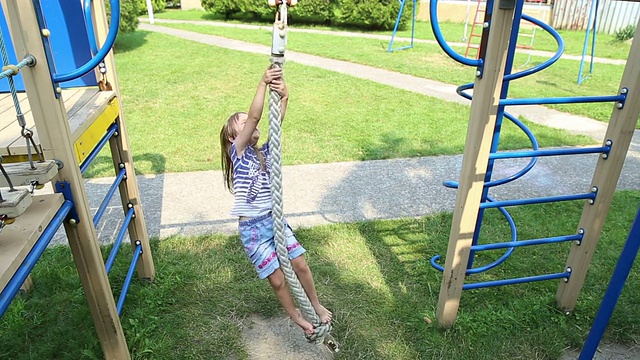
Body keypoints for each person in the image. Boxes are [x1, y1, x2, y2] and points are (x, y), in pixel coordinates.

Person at [219, 66, 332, 335]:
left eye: (250, 122)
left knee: (300, 263)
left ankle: (315, 305)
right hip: (254, 231)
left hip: (274, 220)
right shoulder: (238, 153)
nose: (252, 124)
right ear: (234, 137)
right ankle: (297, 318)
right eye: (244, 124)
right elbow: (258, 115)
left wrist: (284, 98)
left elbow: (274, 123)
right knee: (278, 281)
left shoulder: (266, 153)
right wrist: (262, 83)